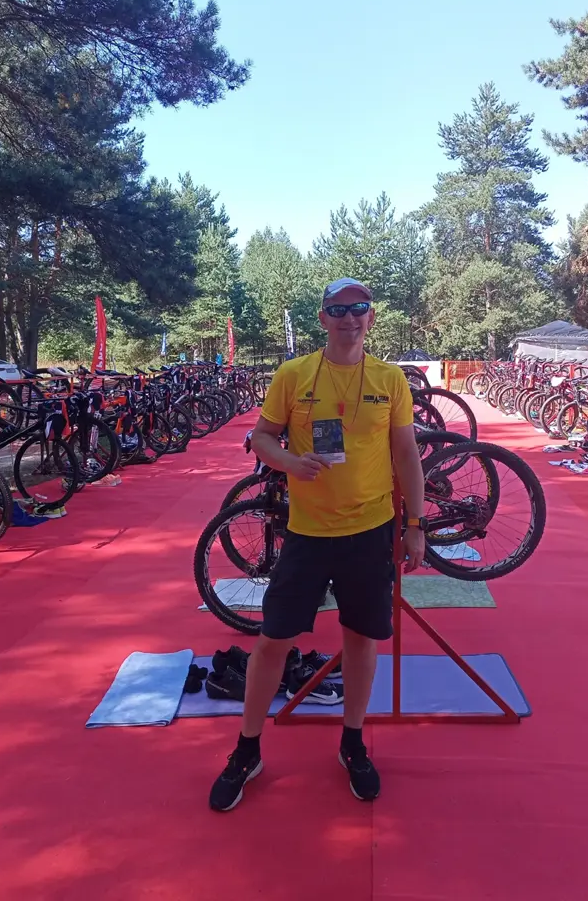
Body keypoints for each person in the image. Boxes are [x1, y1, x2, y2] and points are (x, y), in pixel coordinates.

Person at [209, 277, 426, 812]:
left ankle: (353, 743)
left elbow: (406, 454)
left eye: (359, 308)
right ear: (324, 317)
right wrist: (288, 461)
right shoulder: (294, 374)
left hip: (370, 531)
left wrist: (415, 523)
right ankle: (247, 749)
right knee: (272, 641)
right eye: (339, 309)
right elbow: (262, 437)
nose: (350, 318)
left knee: (361, 639)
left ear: (370, 316)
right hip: (307, 533)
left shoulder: (390, 380)